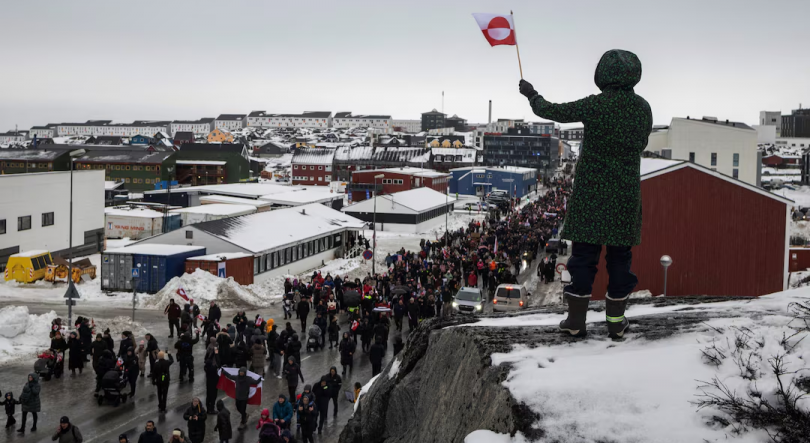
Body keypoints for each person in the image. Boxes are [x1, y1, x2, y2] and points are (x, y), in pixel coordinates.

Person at [520, 49, 652, 339]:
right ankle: (616, 322)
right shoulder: (642, 108)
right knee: (620, 259)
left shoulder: (596, 105)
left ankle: (576, 321)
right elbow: (641, 142)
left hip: (592, 192)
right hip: (625, 193)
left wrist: (532, 95)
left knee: (583, 258)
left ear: (602, 74)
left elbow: (552, 111)